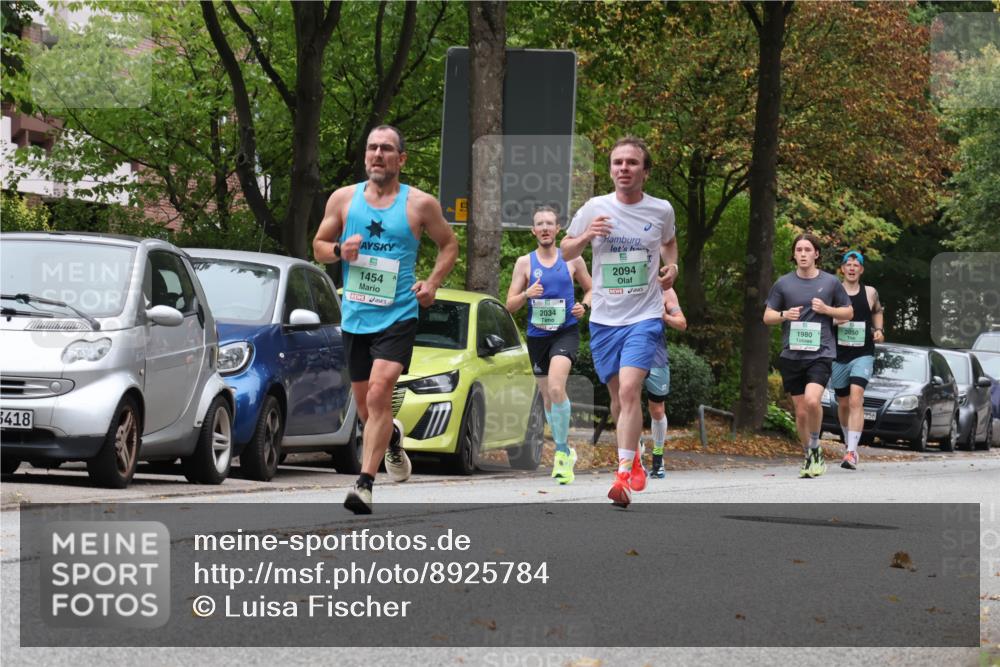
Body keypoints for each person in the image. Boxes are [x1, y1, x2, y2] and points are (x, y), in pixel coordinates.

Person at [313, 125, 458, 514]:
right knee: (367, 410)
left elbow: (449, 244)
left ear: (401, 159)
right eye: (372, 148)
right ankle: (392, 438)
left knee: (380, 392)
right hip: (356, 316)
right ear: (365, 156)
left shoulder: (420, 205)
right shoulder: (344, 200)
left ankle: (364, 485)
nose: (378, 154)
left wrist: (433, 283)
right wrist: (339, 249)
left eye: (387, 149)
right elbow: (318, 247)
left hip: (398, 314)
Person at [561, 136, 678, 508]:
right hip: (605, 320)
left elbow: (670, 244)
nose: (623, 168)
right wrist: (586, 235)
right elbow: (565, 250)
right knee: (617, 398)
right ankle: (636, 452)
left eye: (631, 162)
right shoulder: (594, 207)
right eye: (617, 163)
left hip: (644, 315)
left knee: (629, 391)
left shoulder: (661, 210)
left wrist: (672, 268)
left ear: (645, 170)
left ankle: (622, 475)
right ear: (610, 169)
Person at [506, 206, 593, 484]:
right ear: (533, 231)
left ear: (558, 229)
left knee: (557, 387)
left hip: (565, 333)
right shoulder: (524, 263)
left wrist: (584, 305)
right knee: (547, 397)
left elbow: (591, 289)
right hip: (537, 337)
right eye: (539, 224)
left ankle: (562, 452)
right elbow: (509, 304)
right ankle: (563, 449)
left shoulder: (572, 260)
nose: (544, 228)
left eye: (549, 224)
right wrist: (526, 293)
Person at [764, 233, 853, 479]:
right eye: (799, 250)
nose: (803, 254)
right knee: (801, 412)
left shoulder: (831, 282)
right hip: (792, 355)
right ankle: (810, 454)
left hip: (821, 352)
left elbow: (848, 312)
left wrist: (827, 309)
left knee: (813, 401)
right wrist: (784, 315)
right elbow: (767, 316)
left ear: (816, 254)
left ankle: (815, 446)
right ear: (794, 254)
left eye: (808, 249)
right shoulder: (783, 284)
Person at [831, 250, 884, 470]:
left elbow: (878, 310)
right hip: (838, 355)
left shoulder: (870, 292)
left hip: (863, 353)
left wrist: (879, 329)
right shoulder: (833, 292)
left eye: (856, 265)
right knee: (843, 403)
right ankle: (848, 440)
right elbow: (826, 316)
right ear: (842, 269)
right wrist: (836, 320)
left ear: (861, 270)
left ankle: (852, 452)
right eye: (848, 264)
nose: (852, 268)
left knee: (855, 399)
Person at [645, 287, 686, 479]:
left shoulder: (665, 291)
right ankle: (634, 457)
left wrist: (665, 316)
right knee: (627, 404)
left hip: (656, 356)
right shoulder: (624, 284)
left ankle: (658, 456)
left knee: (657, 410)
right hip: (628, 354)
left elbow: (682, 323)